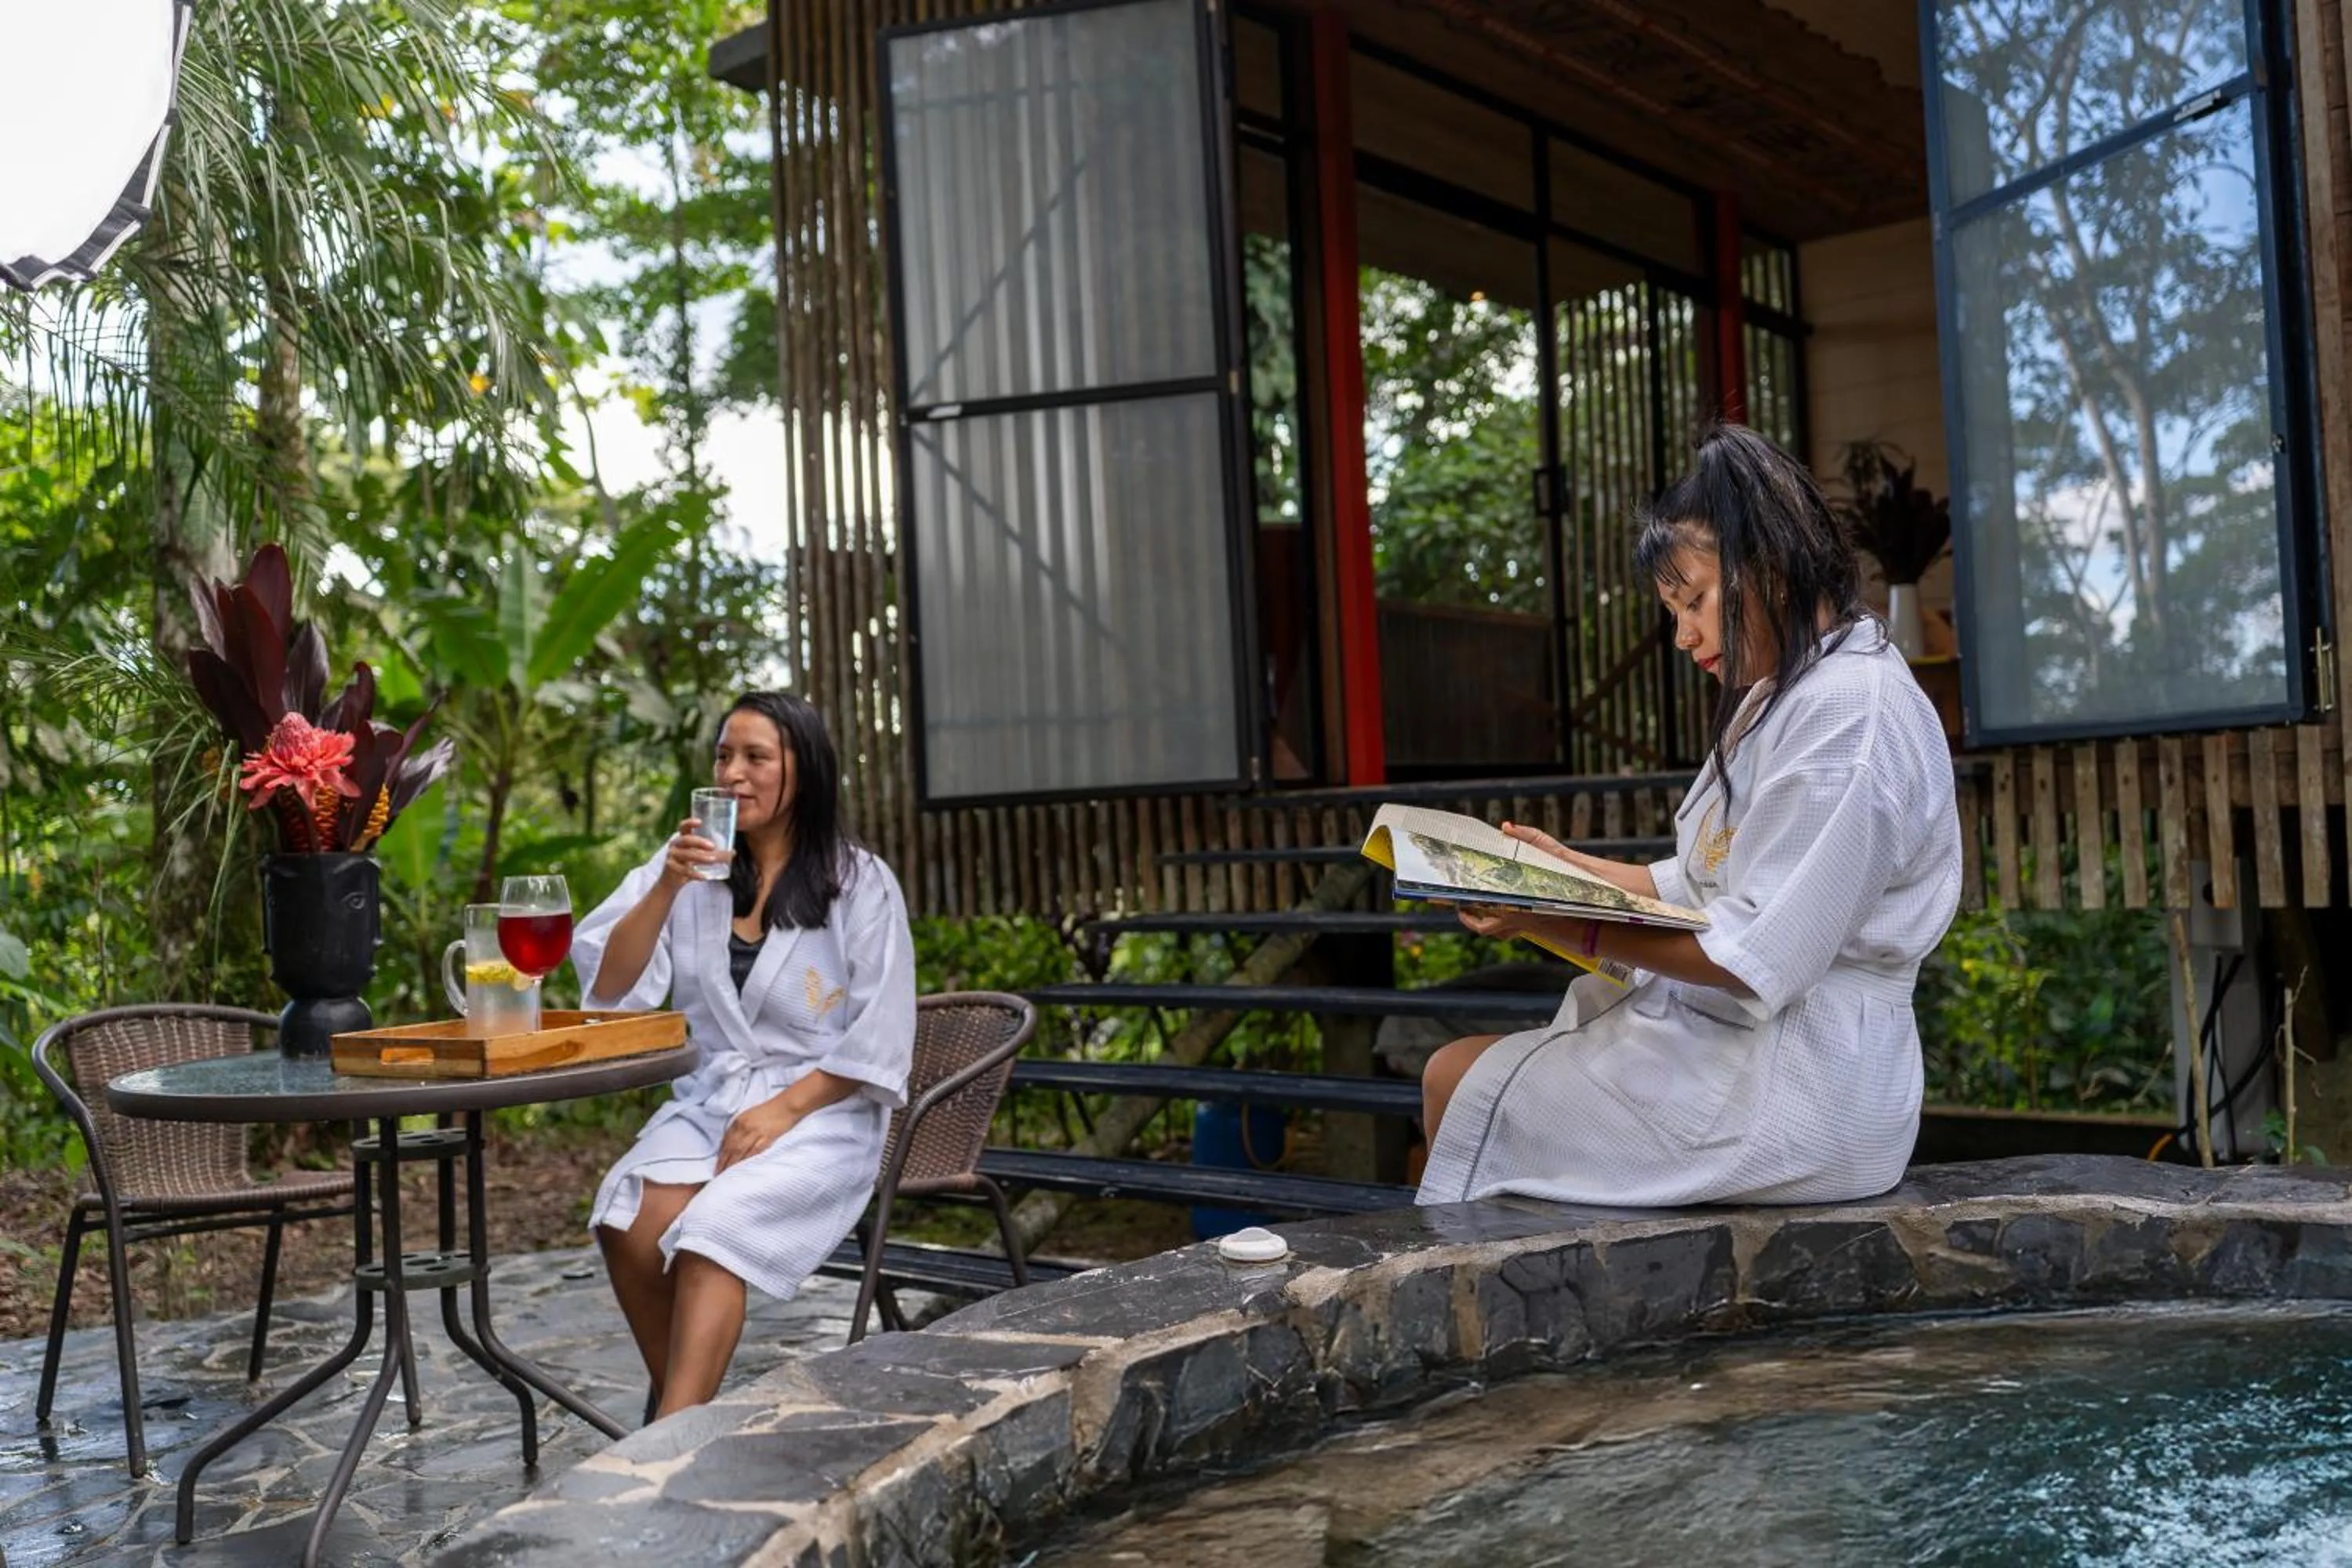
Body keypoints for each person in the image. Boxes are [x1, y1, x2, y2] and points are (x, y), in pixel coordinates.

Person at [1417, 423, 1962, 1209]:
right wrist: (1558, 871)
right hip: (1747, 1057)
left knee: (1459, 1080)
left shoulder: (1849, 715)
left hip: (1795, 1091)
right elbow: (1699, 876)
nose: (1684, 635)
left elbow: (1753, 953)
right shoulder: (1790, 693)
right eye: (1675, 610)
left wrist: (1561, 918)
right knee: (1464, 1076)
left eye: (1695, 600)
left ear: (1769, 565)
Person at [572, 691, 915, 1417]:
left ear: (805, 772)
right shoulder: (687, 873)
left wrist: (783, 1109)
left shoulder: (859, 884)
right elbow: (610, 982)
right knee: (627, 1217)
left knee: (711, 1231)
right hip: (714, 1101)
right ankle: (689, 1419)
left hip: (823, 1107)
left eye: (756, 757)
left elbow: (879, 1033)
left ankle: (663, 1442)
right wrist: (666, 885)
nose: (733, 774)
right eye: (725, 756)